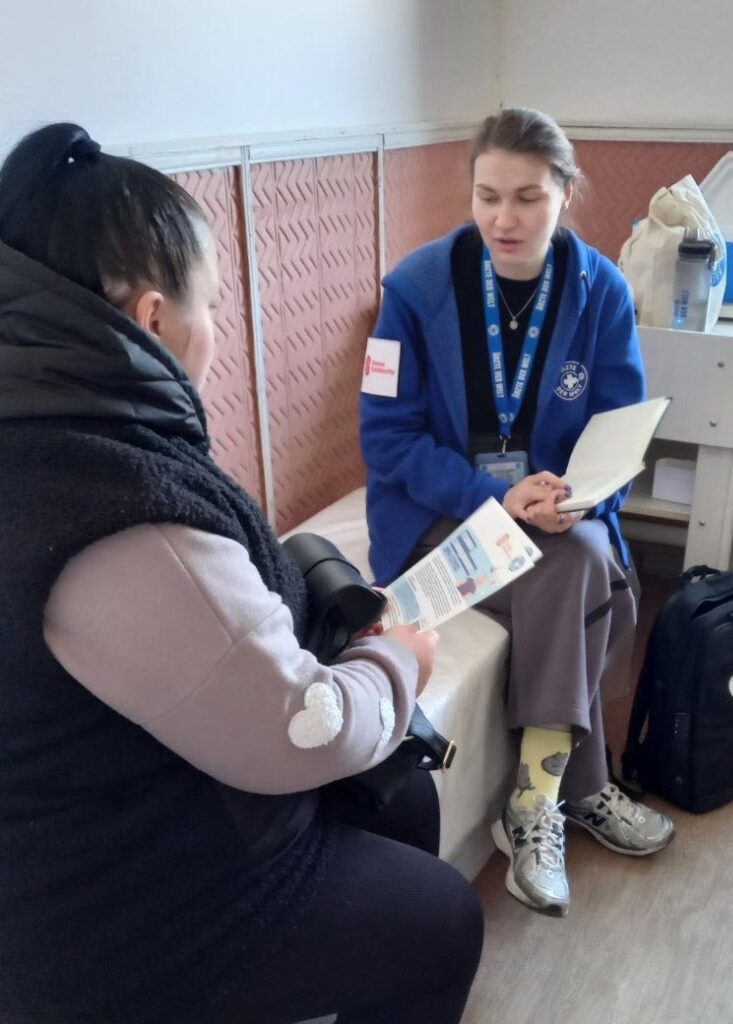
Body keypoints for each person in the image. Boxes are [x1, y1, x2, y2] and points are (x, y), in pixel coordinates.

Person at [0, 123, 482, 1024]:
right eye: (213, 306)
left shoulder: (64, 431)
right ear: (153, 319)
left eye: (528, 197)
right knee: (445, 920)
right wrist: (397, 661)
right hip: (106, 904)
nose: (506, 215)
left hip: (113, 793)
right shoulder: (108, 508)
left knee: (404, 794)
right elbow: (295, 728)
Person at [360, 107, 675, 917]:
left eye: (529, 198)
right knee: (587, 571)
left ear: (566, 193)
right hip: (437, 515)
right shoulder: (414, 291)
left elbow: (617, 430)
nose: (505, 219)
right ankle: (561, 793)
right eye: (488, 196)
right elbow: (387, 440)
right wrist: (493, 497)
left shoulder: (601, 292)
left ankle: (544, 796)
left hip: (553, 515)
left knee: (585, 556)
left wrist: (579, 497)